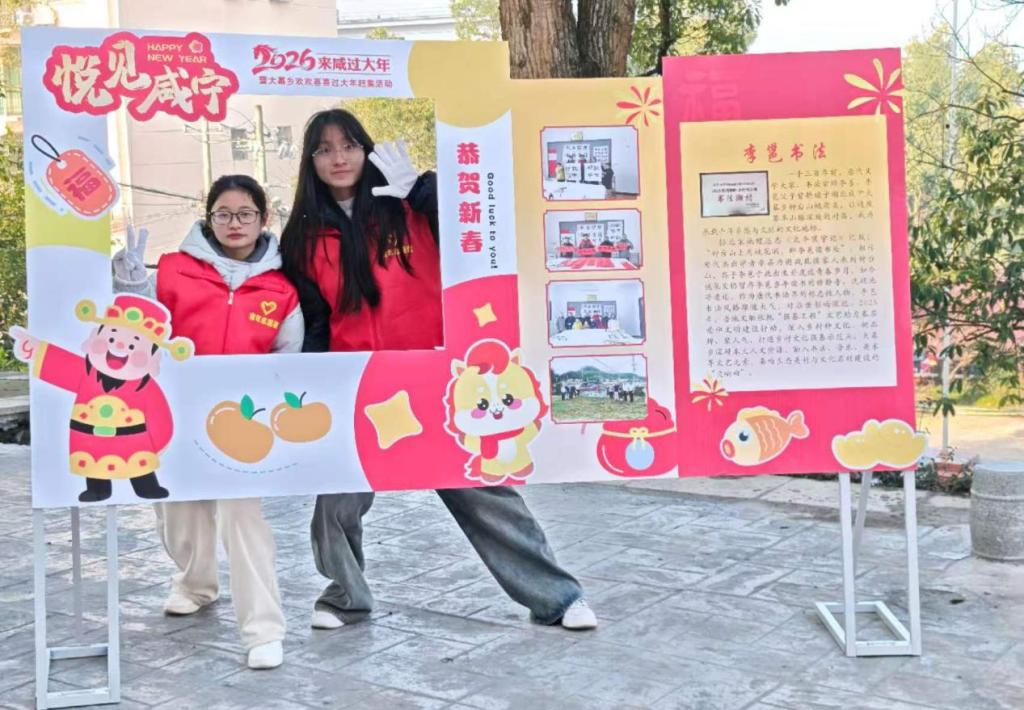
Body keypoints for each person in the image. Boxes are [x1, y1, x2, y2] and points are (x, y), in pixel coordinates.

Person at [279, 108, 597, 632]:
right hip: (356, 382)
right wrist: (311, 379)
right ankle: (345, 597)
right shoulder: (303, 239)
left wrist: (421, 190)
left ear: (365, 150)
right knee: (337, 495)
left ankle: (559, 598)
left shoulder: (406, 208)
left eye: (349, 145)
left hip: (434, 375)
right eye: (324, 149)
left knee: (480, 490)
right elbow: (314, 320)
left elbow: (476, 238)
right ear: (310, 161)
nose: (338, 158)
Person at [112, 175, 301, 670]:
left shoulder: (282, 289)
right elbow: (137, 331)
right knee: (180, 513)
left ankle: (263, 630)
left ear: (263, 218)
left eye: (245, 213)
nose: (234, 223)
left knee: (243, 518)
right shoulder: (173, 270)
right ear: (209, 217)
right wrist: (132, 288)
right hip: (176, 414)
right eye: (223, 213)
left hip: (245, 424)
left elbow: (290, 355)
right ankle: (196, 583)